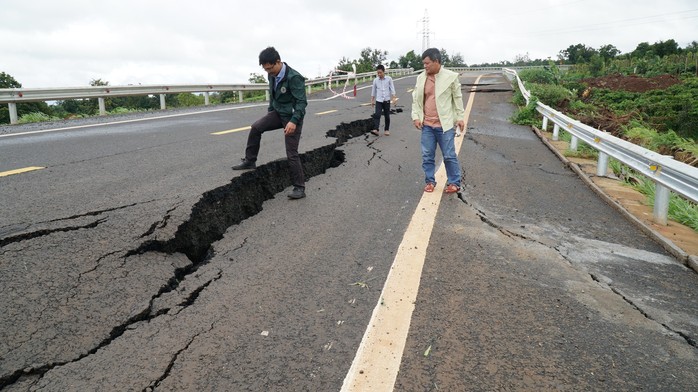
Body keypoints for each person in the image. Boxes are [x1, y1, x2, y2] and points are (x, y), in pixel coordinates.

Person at [232, 47, 308, 199]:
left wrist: (293, 122)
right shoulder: (271, 75)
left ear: (278, 62)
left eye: (270, 68)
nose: (268, 72)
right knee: (256, 128)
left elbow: (301, 103)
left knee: (291, 153)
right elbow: (273, 96)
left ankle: (299, 188)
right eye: (265, 69)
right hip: (278, 113)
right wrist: (270, 113)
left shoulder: (294, 77)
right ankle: (250, 161)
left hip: (293, 117)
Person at [411, 48, 465, 194]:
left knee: (449, 155)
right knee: (427, 155)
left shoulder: (451, 77)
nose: (425, 66)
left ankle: (454, 182)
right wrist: (416, 116)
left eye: (427, 63)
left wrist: (460, 117)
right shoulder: (421, 78)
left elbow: (457, 98)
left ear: (436, 61)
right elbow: (416, 100)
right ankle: (430, 181)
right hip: (427, 125)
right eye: (423, 64)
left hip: (444, 125)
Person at [370, 64, 397, 136]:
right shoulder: (375, 80)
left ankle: (386, 129)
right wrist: (372, 100)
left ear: (384, 71)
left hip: (386, 100)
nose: (379, 74)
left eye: (380, 73)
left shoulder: (389, 79)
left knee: (387, 115)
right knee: (377, 114)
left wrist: (394, 97)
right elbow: (373, 91)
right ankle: (376, 129)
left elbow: (392, 89)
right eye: (378, 73)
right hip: (378, 100)